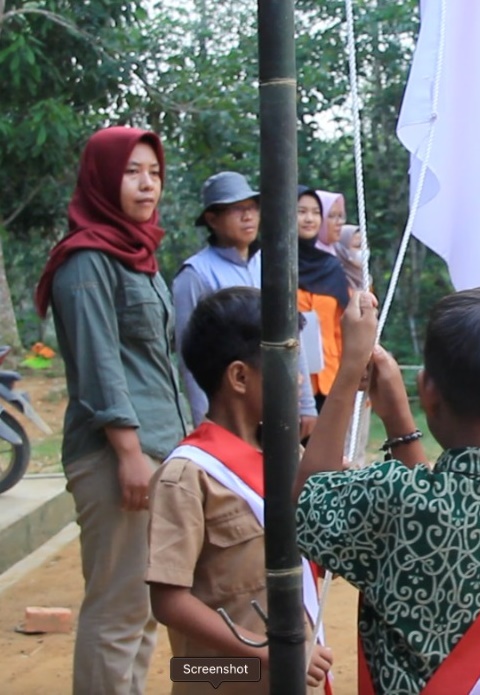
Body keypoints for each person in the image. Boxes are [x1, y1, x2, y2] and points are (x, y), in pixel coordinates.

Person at [296, 287, 480, 694]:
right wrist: (397, 420)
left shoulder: (391, 497)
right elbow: (435, 510)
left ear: (426, 390)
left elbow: (305, 502)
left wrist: (350, 367)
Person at [34, 126, 188, 695]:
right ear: (101, 178)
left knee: (146, 607)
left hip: (160, 448)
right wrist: (128, 453)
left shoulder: (139, 256)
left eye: (155, 173)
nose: (148, 184)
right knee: (117, 608)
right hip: (119, 457)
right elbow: (99, 363)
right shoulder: (85, 262)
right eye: (131, 172)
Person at [145, 287, 334, 694]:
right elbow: (168, 601)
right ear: (240, 377)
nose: (300, 378)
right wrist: (272, 655)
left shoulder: (285, 457)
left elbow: (329, 489)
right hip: (218, 678)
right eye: (289, 362)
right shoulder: (186, 476)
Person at [171, 171, 318, 439]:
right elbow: (188, 355)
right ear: (212, 219)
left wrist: (305, 402)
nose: (248, 216)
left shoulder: (272, 263)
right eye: (236, 209)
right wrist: (206, 425)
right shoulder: (195, 274)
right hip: (231, 408)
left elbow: (292, 333)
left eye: (252, 207)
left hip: (275, 401)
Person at [295, 186, 350, 412]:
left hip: (330, 380)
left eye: (316, 212)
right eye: (301, 211)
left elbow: (341, 328)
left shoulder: (331, 266)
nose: (309, 219)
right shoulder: (270, 263)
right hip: (291, 381)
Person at [336, 223, 367, 290]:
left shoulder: (365, 280)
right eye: (358, 246)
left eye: (365, 246)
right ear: (342, 251)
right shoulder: (335, 281)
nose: (364, 250)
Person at [314, 190, 346, 254]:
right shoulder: (306, 255)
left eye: (340, 216)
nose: (340, 222)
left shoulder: (340, 252)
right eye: (331, 216)